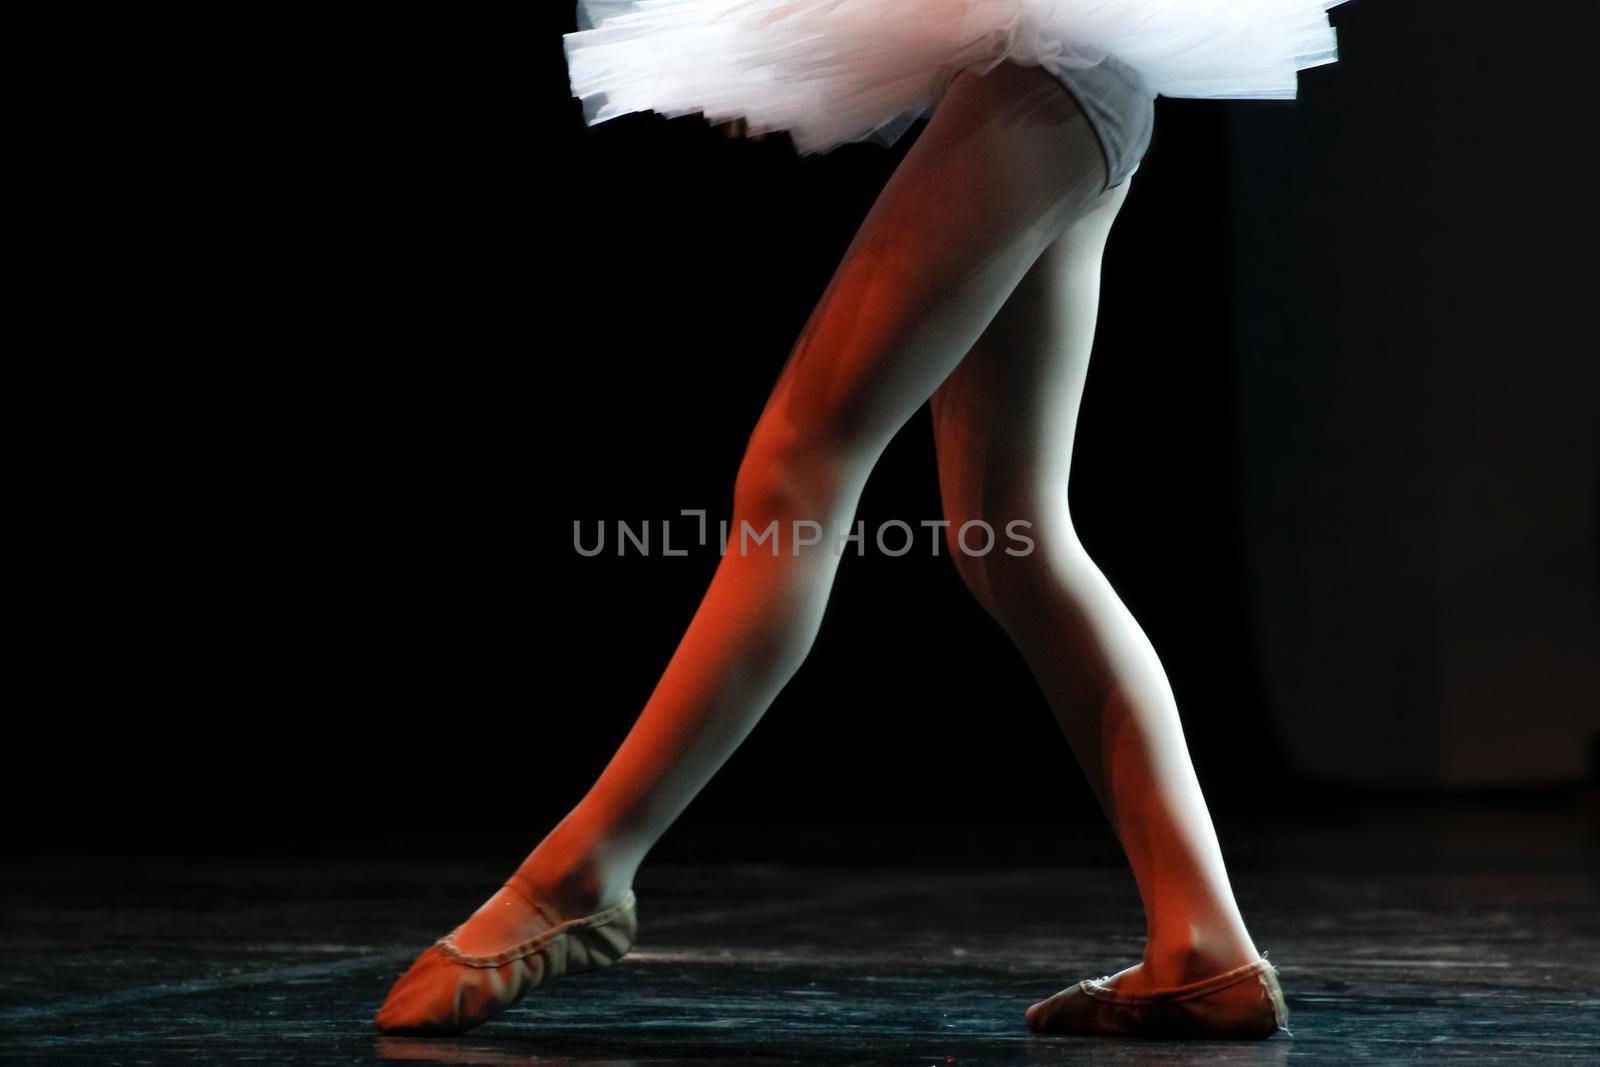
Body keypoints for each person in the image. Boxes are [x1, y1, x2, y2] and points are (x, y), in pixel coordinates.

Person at [376, 0, 1348, 1040]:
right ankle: (1201, 944)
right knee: (1009, 536)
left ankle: (574, 877)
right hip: (1069, 73)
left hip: (1051, 64)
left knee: (798, 469)